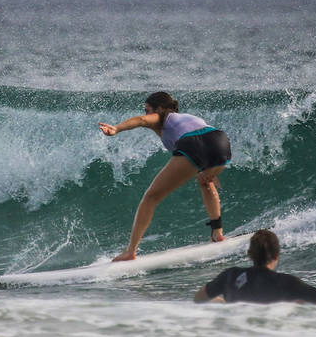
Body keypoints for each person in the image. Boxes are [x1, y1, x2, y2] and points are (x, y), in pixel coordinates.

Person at [99, 92, 232, 261]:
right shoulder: (184, 119)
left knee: (151, 197)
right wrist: (210, 173)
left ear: (160, 109)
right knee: (205, 182)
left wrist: (116, 128)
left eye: (148, 110)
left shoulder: (164, 117)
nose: (147, 114)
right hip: (221, 142)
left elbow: (141, 120)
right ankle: (217, 233)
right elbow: (205, 144)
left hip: (194, 142)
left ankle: (130, 251)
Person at [194, 229, 316, 305]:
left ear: (250, 254)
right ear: (277, 255)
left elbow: (199, 298)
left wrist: (222, 302)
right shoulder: (287, 283)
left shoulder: (230, 276)